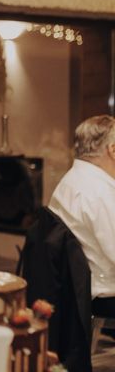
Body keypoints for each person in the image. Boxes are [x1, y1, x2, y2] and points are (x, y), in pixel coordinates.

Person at [49, 114, 115, 316]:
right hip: (104, 297)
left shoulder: (72, 180)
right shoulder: (99, 192)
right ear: (112, 150)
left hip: (77, 293)